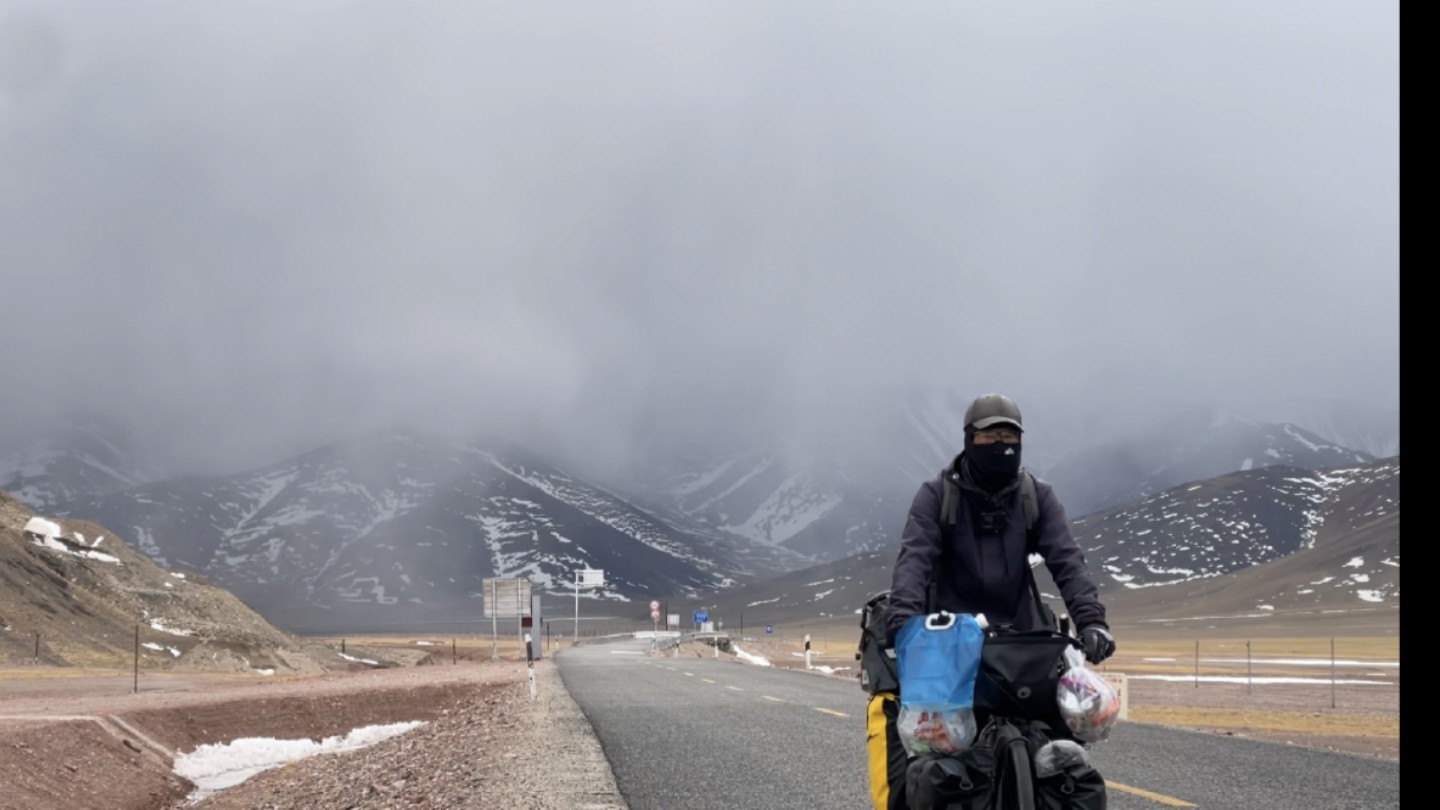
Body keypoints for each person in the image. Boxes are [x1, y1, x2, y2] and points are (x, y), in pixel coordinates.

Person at [866, 393, 1114, 810]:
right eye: (989, 436)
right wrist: (905, 624)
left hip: (1023, 641)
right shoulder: (935, 496)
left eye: (1009, 435)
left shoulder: (1037, 496)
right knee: (937, 758)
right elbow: (915, 560)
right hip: (948, 644)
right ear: (968, 440)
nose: (1001, 444)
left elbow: (1067, 559)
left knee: (1059, 753)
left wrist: (1092, 622)